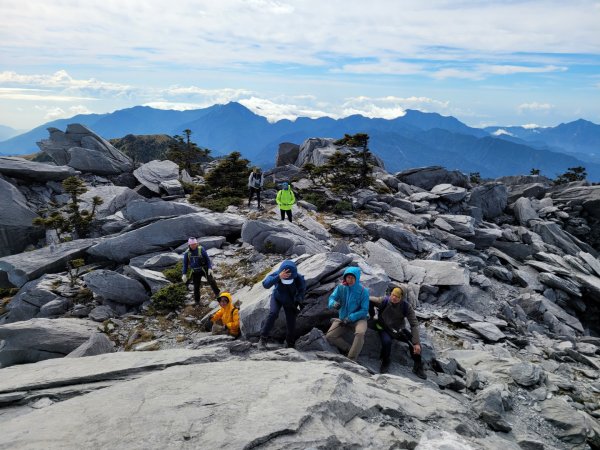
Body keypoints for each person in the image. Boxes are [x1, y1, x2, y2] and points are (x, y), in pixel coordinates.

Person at [370, 287, 426, 379]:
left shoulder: (406, 307)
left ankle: (417, 366)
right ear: (390, 294)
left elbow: (414, 324)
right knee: (386, 342)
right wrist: (371, 315)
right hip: (384, 327)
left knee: (414, 343)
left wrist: (416, 343)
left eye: (397, 296)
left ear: (401, 298)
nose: (394, 298)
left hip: (399, 329)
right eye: (393, 295)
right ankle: (385, 360)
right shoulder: (384, 300)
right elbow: (370, 299)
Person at [258, 260, 306, 350]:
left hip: (290, 301)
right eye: (284, 279)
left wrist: (298, 300)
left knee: (291, 321)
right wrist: (278, 277)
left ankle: (290, 342)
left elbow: (302, 290)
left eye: (289, 280)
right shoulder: (277, 274)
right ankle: (263, 338)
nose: (287, 281)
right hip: (277, 298)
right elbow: (265, 284)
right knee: (273, 314)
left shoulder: (298, 278)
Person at [326, 267, 370, 361]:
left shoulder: (363, 291)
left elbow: (364, 310)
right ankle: (350, 349)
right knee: (330, 336)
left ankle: (351, 359)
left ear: (357, 278)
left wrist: (350, 318)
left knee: (360, 333)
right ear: (345, 278)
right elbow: (331, 298)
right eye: (348, 277)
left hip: (359, 319)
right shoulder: (341, 287)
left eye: (352, 278)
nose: (350, 280)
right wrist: (333, 304)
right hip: (343, 319)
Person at [181, 237, 220, 305]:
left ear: (197, 244)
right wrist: (184, 274)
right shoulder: (187, 253)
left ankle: (218, 294)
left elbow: (207, 259)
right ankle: (197, 301)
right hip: (195, 271)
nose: (193, 246)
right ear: (189, 245)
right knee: (196, 287)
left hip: (204, 269)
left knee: (211, 281)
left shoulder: (201, 249)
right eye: (192, 244)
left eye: (195, 244)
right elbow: (185, 264)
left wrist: (210, 268)